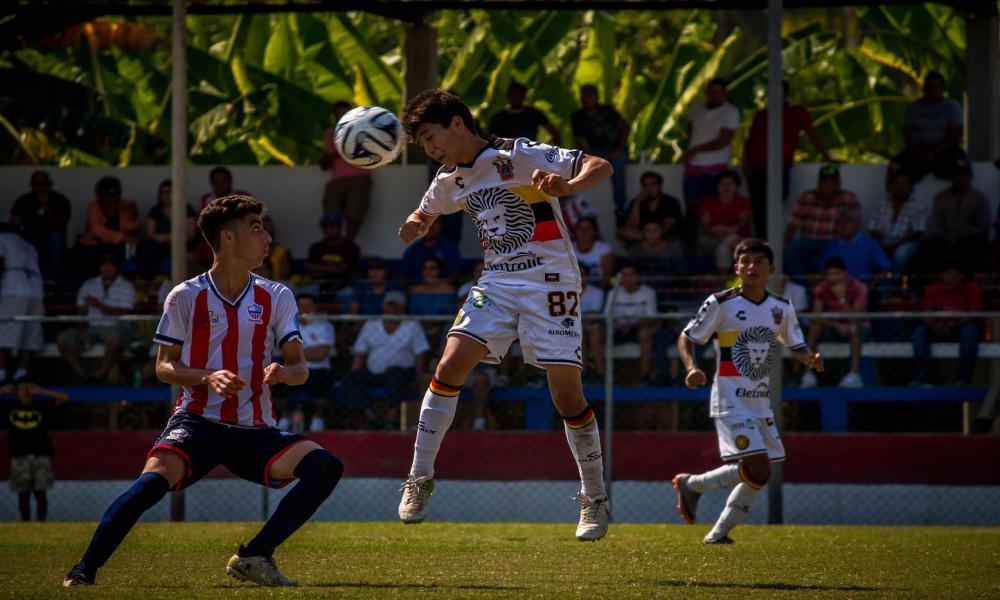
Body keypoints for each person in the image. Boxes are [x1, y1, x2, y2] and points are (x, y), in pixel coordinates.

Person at [63, 195, 343, 587]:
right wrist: (207, 377)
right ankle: (83, 570)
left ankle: (256, 555)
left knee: (326, 466)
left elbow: (300, 370)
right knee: (148, 486)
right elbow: (163, 367)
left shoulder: (277, 295)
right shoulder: (185, 296)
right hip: (197, 423)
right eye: (256, 228)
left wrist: (283, 371)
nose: (267, 237)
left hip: (255, 431)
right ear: (227, 238)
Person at [396, 88, 614, 540]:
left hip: (551, 281)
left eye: (430, 137)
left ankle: (594, 499)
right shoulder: (449, 179)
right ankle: (419, 478)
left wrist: (568, 186)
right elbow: (426, 211)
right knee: (449, 365)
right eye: (421, 143)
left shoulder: (520, 153)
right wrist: (418, 223)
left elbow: (601, 165)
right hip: (497, 281)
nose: (430, 148)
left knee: (566, 396)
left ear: (457, 123)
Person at [673, 238, 823, 544]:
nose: (751, 267)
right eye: (746, 261)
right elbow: (687, 336)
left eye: (759, 261)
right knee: (757, 466)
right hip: (729, 398)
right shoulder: (721, 303)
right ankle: (697, 493)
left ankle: (710, 518)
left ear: (772, 269)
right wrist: (691, 368)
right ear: (736, 267)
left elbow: (795, 342)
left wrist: (808, 356)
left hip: (759, 401)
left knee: (761, 473)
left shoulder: (781, 307)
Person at [743, 81, 832, 238]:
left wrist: (828, 157)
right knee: (759, 207)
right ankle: (762, 243)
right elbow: (750, 140)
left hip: (781, 165)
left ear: (786, 94)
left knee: (778, 199)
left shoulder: (797, 112)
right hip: (757, 167)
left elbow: (812, 135)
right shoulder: (761, 115)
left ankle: (773, 242)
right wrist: (745, 162)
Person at [343, 291, 430, 430]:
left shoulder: (412, 325)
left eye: (396, 306)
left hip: (402, 373)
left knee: (394, 373)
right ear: (384, 307)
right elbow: (360, 354)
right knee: (351, 379)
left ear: (403, 309)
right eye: (390, 306)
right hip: (375, 374)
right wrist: (355, 373)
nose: (393, 310)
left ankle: (392, 417)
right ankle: (370, 417)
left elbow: (420, 354)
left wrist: (418, 378)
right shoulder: (371, 325)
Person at [56, 254, 136, 385]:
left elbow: (125, 312)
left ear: (117, 268)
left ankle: (100, 373)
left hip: (115, 327)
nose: (107, 268)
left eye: (111, 265)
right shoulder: (88, 285)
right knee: (63, 339)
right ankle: (83, 374)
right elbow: (80, 312)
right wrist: (82, 328)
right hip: (90, 326)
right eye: (104, 265)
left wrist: (99, 305)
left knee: (116, 341)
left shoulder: (126, 286)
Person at [1, 380, 69, 521]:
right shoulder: (9, 407)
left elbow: (63, 398)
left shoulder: (41, 406)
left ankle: (41, 522)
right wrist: (2, 391)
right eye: (21, 389)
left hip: (40, 453)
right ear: (16, 392)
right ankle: (25, 521)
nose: (25, 392)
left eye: (28, 389)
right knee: (23, 492)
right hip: (19, 454)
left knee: (40, 491)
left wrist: (41, 391)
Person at [682, 78, 740, 239]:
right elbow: (690, 132)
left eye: (719, 92)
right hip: (693, 166)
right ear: (707, 92)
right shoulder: (696, 109)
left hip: (716, 165)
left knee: (713, 206)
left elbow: (724, 140)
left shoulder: (731, 112)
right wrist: (689, 151)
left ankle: (713, 242)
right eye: (712, 91)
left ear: (725, 93)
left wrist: (696, 149)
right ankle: (692, 244)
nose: (715, 95)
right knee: (692, 206)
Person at [888, 72, 966, 186]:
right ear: (924, 88)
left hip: (946, 149)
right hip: (919, 150)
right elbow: (908, 135)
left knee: (963, 168)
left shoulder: (951, 107)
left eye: (936, 87)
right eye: (929, 87)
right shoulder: (913, 108)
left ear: (942, 89)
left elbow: (955, 134)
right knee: (894, 166)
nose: (932, 90)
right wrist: (921, 154)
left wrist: (937, 152)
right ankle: (890, 200)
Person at [916, 158, 991, 275]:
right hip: (944, 240)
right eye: (956, 175)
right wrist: (948, 237)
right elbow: (935, 224)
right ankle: (932, 288)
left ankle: (968, 288)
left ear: (970, 177)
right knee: (928, 248)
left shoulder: (980, 198)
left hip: (969, 241)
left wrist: (959, 236)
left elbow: (983, 226)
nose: (959, 178)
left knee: (973, 249)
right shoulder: (941, 197)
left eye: (963, 175)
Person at [783, 165, 861, 277]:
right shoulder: (807, 197)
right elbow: (792, 225)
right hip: (808, 240)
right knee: (791, 251)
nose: (828, 186)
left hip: (835, 241)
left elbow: (854, 225)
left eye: (833, 182)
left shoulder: (848, 198)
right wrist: (787, 245)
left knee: (846, 254)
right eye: (824, 182)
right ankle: (801, 288)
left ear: (839, 183)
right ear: (818, 183)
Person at [911, 265, 982, 387]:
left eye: (955, 275)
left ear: (961, 276)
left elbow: (973, 314)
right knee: (919, 332)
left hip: (961, 327)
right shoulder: (933, 289)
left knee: (970, 332)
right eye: (948, 274)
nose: (951, 278)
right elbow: (926, 315)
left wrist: (952, 324)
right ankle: (923, 378)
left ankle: (962, 379)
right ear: (941, 276)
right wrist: (935, 326)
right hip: (937, 327)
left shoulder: (972, 289)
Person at [588, 264, 658, 384]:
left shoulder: (648, 292)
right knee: (595, 332)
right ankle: (601, 375)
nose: (628, 278)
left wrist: (631, 325)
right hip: (616, 328)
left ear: (638, 277)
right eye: (624, 275)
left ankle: (644, 374)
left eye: (631, 275)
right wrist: (617, 325)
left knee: (645, 333)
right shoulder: (613, 293)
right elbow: (606, 315)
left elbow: (650, 318)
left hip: (637, 329)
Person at [802, 258, 867, 389]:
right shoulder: (821, 288)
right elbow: (816, 316)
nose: (834, 278)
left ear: (845, 273)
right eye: (830, 274)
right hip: (833, 325)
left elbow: (856, 318)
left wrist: (842, 299)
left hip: (858, 326)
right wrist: (836, 325)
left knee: (854, 328)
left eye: (837, 274)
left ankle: (854, 374)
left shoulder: (860, 288)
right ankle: (808, 374)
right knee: (814, 327)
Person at [572, 84, 630, 221]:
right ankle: (581, 208)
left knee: (619, 166)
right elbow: (579, 141)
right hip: (594, 151)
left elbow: (625, 129)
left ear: (597, 97)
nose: (586, 99)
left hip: (615, 150)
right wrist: (587, 157)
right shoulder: (577, 116)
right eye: (584, 96)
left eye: (590, 95)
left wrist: (620, 150)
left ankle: (621, 208)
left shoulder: (608, 111)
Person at [278, 294, 334, 432]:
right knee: (276, 383)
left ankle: (317, 418)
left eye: (308, 306)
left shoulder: (324, 326)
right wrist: (309, 352)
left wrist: (294, 352)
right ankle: (285, 417)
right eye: (301, 306)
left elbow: (321, 354)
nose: (304, 310)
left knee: (322, 387)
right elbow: (280, 352)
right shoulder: (286, 325)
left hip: (318, 370)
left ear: (315, 308)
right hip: (291, 369)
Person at [321, 101, 374, 242]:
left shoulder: (362, 131)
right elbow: (325, 162)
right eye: (339, 114)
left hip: (360, 176)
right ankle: (333, 243)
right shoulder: (328, 134)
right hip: (337, 178)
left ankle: (348, 244)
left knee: (355, 213)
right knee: (330, 212)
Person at [0, 225, 44, 384]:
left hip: (14, 286)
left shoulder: (1, 238)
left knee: (5, 331)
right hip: (36, 289)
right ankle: (22, 371)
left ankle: (1, 372)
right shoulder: (28, 244)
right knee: (30, 332)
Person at [10, 170, 72, 278]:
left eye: (44, 184)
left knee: (56, 238)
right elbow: (13, 225)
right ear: (31, 186)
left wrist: (47, 209)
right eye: (36, 184)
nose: (40, 188)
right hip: (29, 237)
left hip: (51, 238)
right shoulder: (24, 201)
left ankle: (54, 278)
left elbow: (61, 223)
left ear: (50, 184)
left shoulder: (60, 200)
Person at [76, 176, 140, 278]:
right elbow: (96, 229)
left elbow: (131, 228)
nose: (115, 198)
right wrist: (121, 237)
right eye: (110, 194)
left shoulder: (124, 206)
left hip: (117, 247)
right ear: (101, 194)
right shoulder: (93, 206)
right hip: (94, 245)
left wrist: (133, 214)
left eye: (118, 193)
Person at [868, 172, 928, 274]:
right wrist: (880, 244)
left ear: (911, 187)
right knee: (868, 248)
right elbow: (872, 227)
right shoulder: (883, 202)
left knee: (900, 254)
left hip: (907, 242)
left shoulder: (918, 204)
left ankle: (894, 284)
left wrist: (894, 245)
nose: (899, 187)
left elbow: (919, 231)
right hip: (884, 241)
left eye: (904, 184)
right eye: (896, 183)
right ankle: (874, 284)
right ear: (891, 186)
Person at [138, 180, 198, 278]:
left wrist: (172, 238)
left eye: (169, 192)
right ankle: (149, 281)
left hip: (183, 245)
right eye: (163, 192)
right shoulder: (156, 210)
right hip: (160, 246)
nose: (166, 195)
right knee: (146, 248)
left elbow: (191, 233)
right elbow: (150, 233)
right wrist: (164, 238)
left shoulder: (187, 209)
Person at [696, 170, 753, 274]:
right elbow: (705, 225)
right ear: (717, 186)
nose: (726, 187)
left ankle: (720, 286)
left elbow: (742, 222)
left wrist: (726, 230)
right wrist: (716, 231)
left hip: (736, 238)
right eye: (723, 183)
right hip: (712, 239)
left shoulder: (743, 202)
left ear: (737, 186)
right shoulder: (708, 202)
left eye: (731, 183)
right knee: (733, 243)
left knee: (722, 250)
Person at [820, 210, 892, 285]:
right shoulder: (831, 246)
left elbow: (885, 269)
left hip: (866, 289)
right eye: (839, 223)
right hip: (838, 289)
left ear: (856, 224)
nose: (843, 226)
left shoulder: (870, 244)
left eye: (847, 222)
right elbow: (824, 271)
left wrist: (871, 285)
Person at [616, 171, 683, 248]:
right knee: (621, 232)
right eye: (645, 185)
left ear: (660, 186)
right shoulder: (636, 202)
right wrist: (637, 203)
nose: (649, 188)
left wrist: (652, 235)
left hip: (663, 236)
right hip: (643, 236)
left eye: (653, 184)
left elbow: (667, 227)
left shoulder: (670, 201)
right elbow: (630, 225)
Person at [306, 213, 360, 300]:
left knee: (348, 294)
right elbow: (310, 267)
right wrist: (333, 268)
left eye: (331, 227)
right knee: (305, 294)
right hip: (320, 284)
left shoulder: (351, 247)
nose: (328, 230)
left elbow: (342, 269)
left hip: (343, 285)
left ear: (339, 228)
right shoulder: (316, 247)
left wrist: (320, 268)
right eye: (325, 227)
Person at [488, 82, 562, 144]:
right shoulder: (498, 118)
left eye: (519, 95)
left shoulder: (533, 114)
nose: (516, 98)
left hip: (530, 153)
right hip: (507, 155)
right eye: (514, 95)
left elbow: (553, 131)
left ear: (524, 96)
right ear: (508, 96)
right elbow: (492, 139)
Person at [399, 218, 462, 283]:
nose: (430, 226)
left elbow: (454, 275)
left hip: (444, 290)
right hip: (417, 289)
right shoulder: (413, 249)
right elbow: (403, 277)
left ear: (441, 225)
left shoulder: (450, 247)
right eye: (426, 223)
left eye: (434, 222)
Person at [573, 216, 616, 288]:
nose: (584, 231)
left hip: (598, 288)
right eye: (580, 228)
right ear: (576, 231)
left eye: (588, 228)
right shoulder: (568, 249)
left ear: (594, 231)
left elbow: (608, 275)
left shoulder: (604, 248)